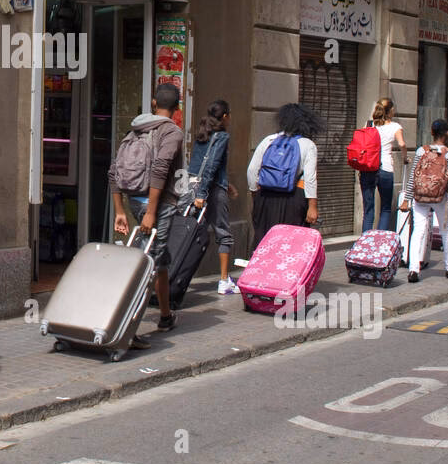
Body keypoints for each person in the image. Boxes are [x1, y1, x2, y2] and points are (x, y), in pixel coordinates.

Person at [111, 82, 184, 340]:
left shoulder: (137, 128)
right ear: (177, 107)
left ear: (154, 103)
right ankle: (126, 328)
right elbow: (160, 169)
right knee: (149, 264)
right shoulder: (172, 132)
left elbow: (114, 170)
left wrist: (119, 210)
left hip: (134, 200)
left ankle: (165, 316)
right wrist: (152, 211)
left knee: (159, 258)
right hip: (158, 205)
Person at [399, 119, 448, 282]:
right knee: (447, 230)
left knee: (418, 231)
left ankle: (413, 270)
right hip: (440, 198)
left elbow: (413, 177)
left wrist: (406, 200)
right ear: (447, 133)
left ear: (431, 132)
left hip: (420, 197)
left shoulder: (421, 151)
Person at [246, 103, 322, 248]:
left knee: (264, 240)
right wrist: (312, 207)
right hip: (294, 199)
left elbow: (252, 170)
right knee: (291, 243)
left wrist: (255, 195)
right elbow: (310, 178)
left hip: (266, 197)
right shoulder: (307, 144)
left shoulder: (269, 140)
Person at [186, 100, 239, 295]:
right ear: (224, 116)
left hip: (193, 186)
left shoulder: (202, 133)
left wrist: (227, 185)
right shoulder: (222, 136)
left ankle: (181, 274)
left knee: (190, 233)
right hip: (211, 191)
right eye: (229, 115)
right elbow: (211, 166)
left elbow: (199, 166)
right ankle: (224, 281)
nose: (230, 118)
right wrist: (203, 194)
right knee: (223, 234)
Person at [360, 98, 406, 232]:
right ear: (390, 111)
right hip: (385, 169)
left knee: (368, 210)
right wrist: (404, 158)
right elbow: (402, 144)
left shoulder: (368, 124)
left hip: (368, 168)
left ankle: (365, 240)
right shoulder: (395, 126)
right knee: (385, 208)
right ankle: (380, 240)